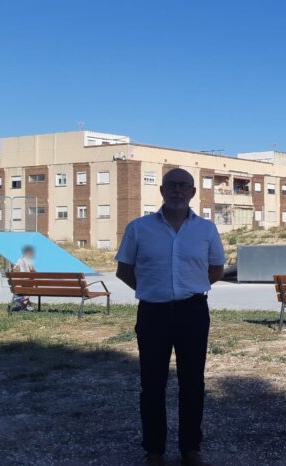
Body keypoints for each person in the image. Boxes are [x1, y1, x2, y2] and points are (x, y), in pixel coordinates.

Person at [116, 168, 225, 466]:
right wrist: (154, 290)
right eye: (171, 185)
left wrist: (189, 288)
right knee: (152, 384)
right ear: (162, 191)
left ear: (192, 192)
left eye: (183, 186)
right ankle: (154, 450)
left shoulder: (206, 230)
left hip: (193, 312)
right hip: (153, 314)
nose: (177, 190)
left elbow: (216, 269)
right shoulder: (138, 228)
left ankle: (190, 448)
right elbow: (124, 270)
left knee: (193, 382)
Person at [11, 245, 37, 311]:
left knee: (25, 291)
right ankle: (24, 304)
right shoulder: (30, 261)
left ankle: (25, 302)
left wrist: (18, 270)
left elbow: (14, 268)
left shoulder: (19, 260)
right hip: (29, 280)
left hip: (22, 280)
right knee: (29, 290)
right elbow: (32, 270)